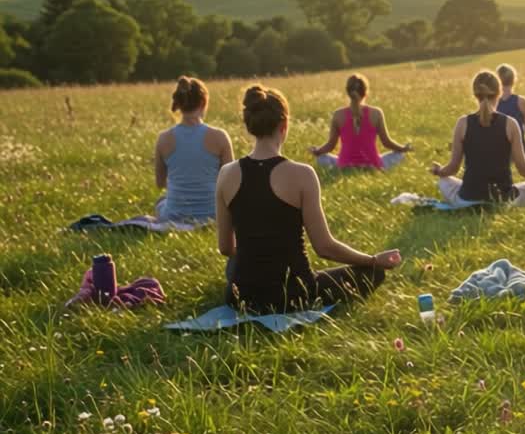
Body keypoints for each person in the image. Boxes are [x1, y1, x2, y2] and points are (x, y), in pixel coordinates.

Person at [216, 84, 402, 314]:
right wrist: (373, 259)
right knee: (373, 272)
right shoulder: (302, 174)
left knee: (237, 263)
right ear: (284, 126)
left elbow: (225, 247)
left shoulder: (226, 174)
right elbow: (324, 247)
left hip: (241, 296)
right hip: (295, 295)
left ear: (249, 125)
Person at [431, 70, 525, 207]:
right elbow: (523, 168)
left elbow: (453, 168)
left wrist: (439, 171)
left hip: (467, 200)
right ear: (499, 93)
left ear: (475, 95)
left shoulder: (462, 123)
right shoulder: (510, 124)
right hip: (504, 200)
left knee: (443, 181)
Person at [153, 76, 234, 223]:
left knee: (160, 201)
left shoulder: (163, 138)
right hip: (214, 214)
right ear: (203, 102)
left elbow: (160, 183)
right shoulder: (220, 136)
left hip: (174, 216)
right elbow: (230, 183)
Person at [309, 74, 412, 170]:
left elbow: (330, 145)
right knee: (399, 155)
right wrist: (403, 148)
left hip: (345, 165)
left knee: (321, 158)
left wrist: (317, 151)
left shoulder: (338, 115)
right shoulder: (376, 113)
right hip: (373, 165)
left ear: (348, 92)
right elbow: (386, 142)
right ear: (366, 92)